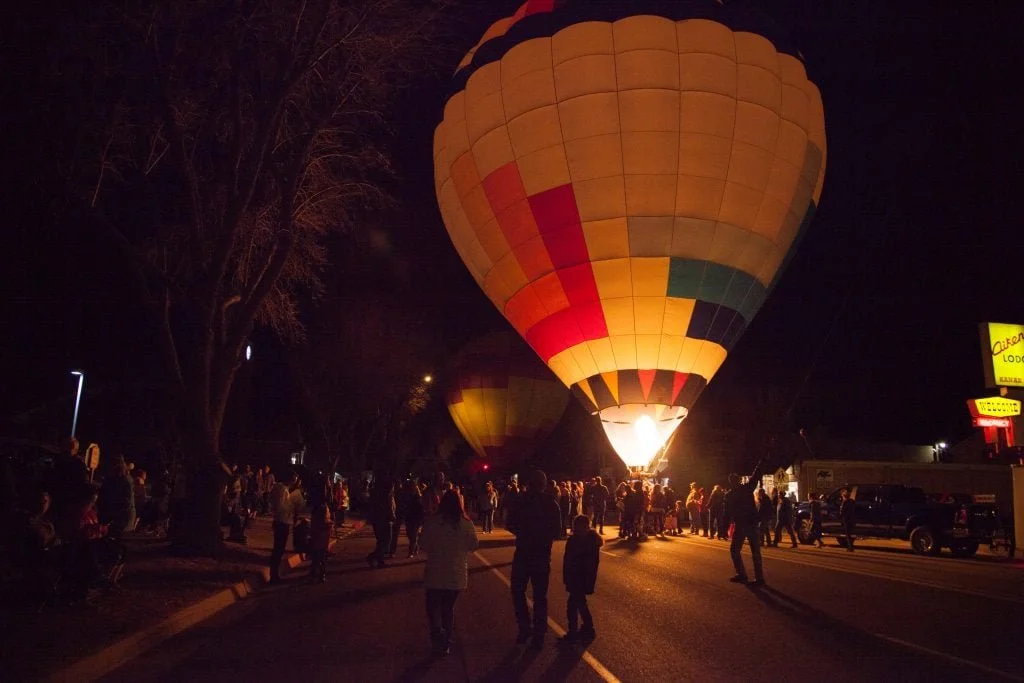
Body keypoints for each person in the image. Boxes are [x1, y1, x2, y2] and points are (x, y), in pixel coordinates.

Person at [419, 490, 479, 657]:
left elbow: (422, 544)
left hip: (435, 572)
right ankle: (445, 641)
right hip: (455, 574)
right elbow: (474, 545)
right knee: (448, 608)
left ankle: (437, 635)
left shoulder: (432, 522)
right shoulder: (465, 524)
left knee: (433, 608)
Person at [507, 469, 562, 648]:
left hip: (523, 552)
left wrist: (523, 533)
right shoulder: (551, 503)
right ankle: (539, 633)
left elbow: (510, 524)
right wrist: (543, 536)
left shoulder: (520, 501)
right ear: (544, 485)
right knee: (540, 596)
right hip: (541, 554)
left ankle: (524, 627)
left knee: (518, 591)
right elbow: (558, 531)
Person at [560, 514, 603, 645]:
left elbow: (569, 561)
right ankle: (587, 627)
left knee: (573, 605)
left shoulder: (578, 541)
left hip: (578, 577)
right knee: (580, 603)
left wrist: (568, 577)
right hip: (581, 578)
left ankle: (575, 631)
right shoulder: (590, 541)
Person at [724, 460, 765, 586]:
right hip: (751, 523)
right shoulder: (747, 488)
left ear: (731, 482)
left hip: (742, 525)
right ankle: (759, 578)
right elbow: (755, 476)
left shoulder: (730, 495)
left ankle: (742, 574)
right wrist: (760, 463)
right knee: (755, 552)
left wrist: (723, 528)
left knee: (735, 550)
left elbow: (727, 513)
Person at [268, 471, 301, 584]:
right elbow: (281, 507)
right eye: (294, 480)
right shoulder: (282, 490)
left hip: (280, 521)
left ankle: (274, 573)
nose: (294, 482)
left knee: (278, 549)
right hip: (282, 522)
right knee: (278, 549)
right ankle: (274, 575)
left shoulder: (279, 488)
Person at [366, 478, 396, 568]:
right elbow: (390, 508)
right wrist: (392, 516)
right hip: (385, 519)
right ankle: (373, 556)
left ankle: (379, 560)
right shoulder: (387, 496)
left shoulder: (378, 495)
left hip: (378, 519)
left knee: (381, 541)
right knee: (386, 540)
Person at [309, 501, 332, 583]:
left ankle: (315, 575)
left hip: (318, 535)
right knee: (321, 556)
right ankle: (321, 575)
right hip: (321, 536)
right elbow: (326, 521)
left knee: (316, 556)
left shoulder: (317, 509)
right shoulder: (323, 507)